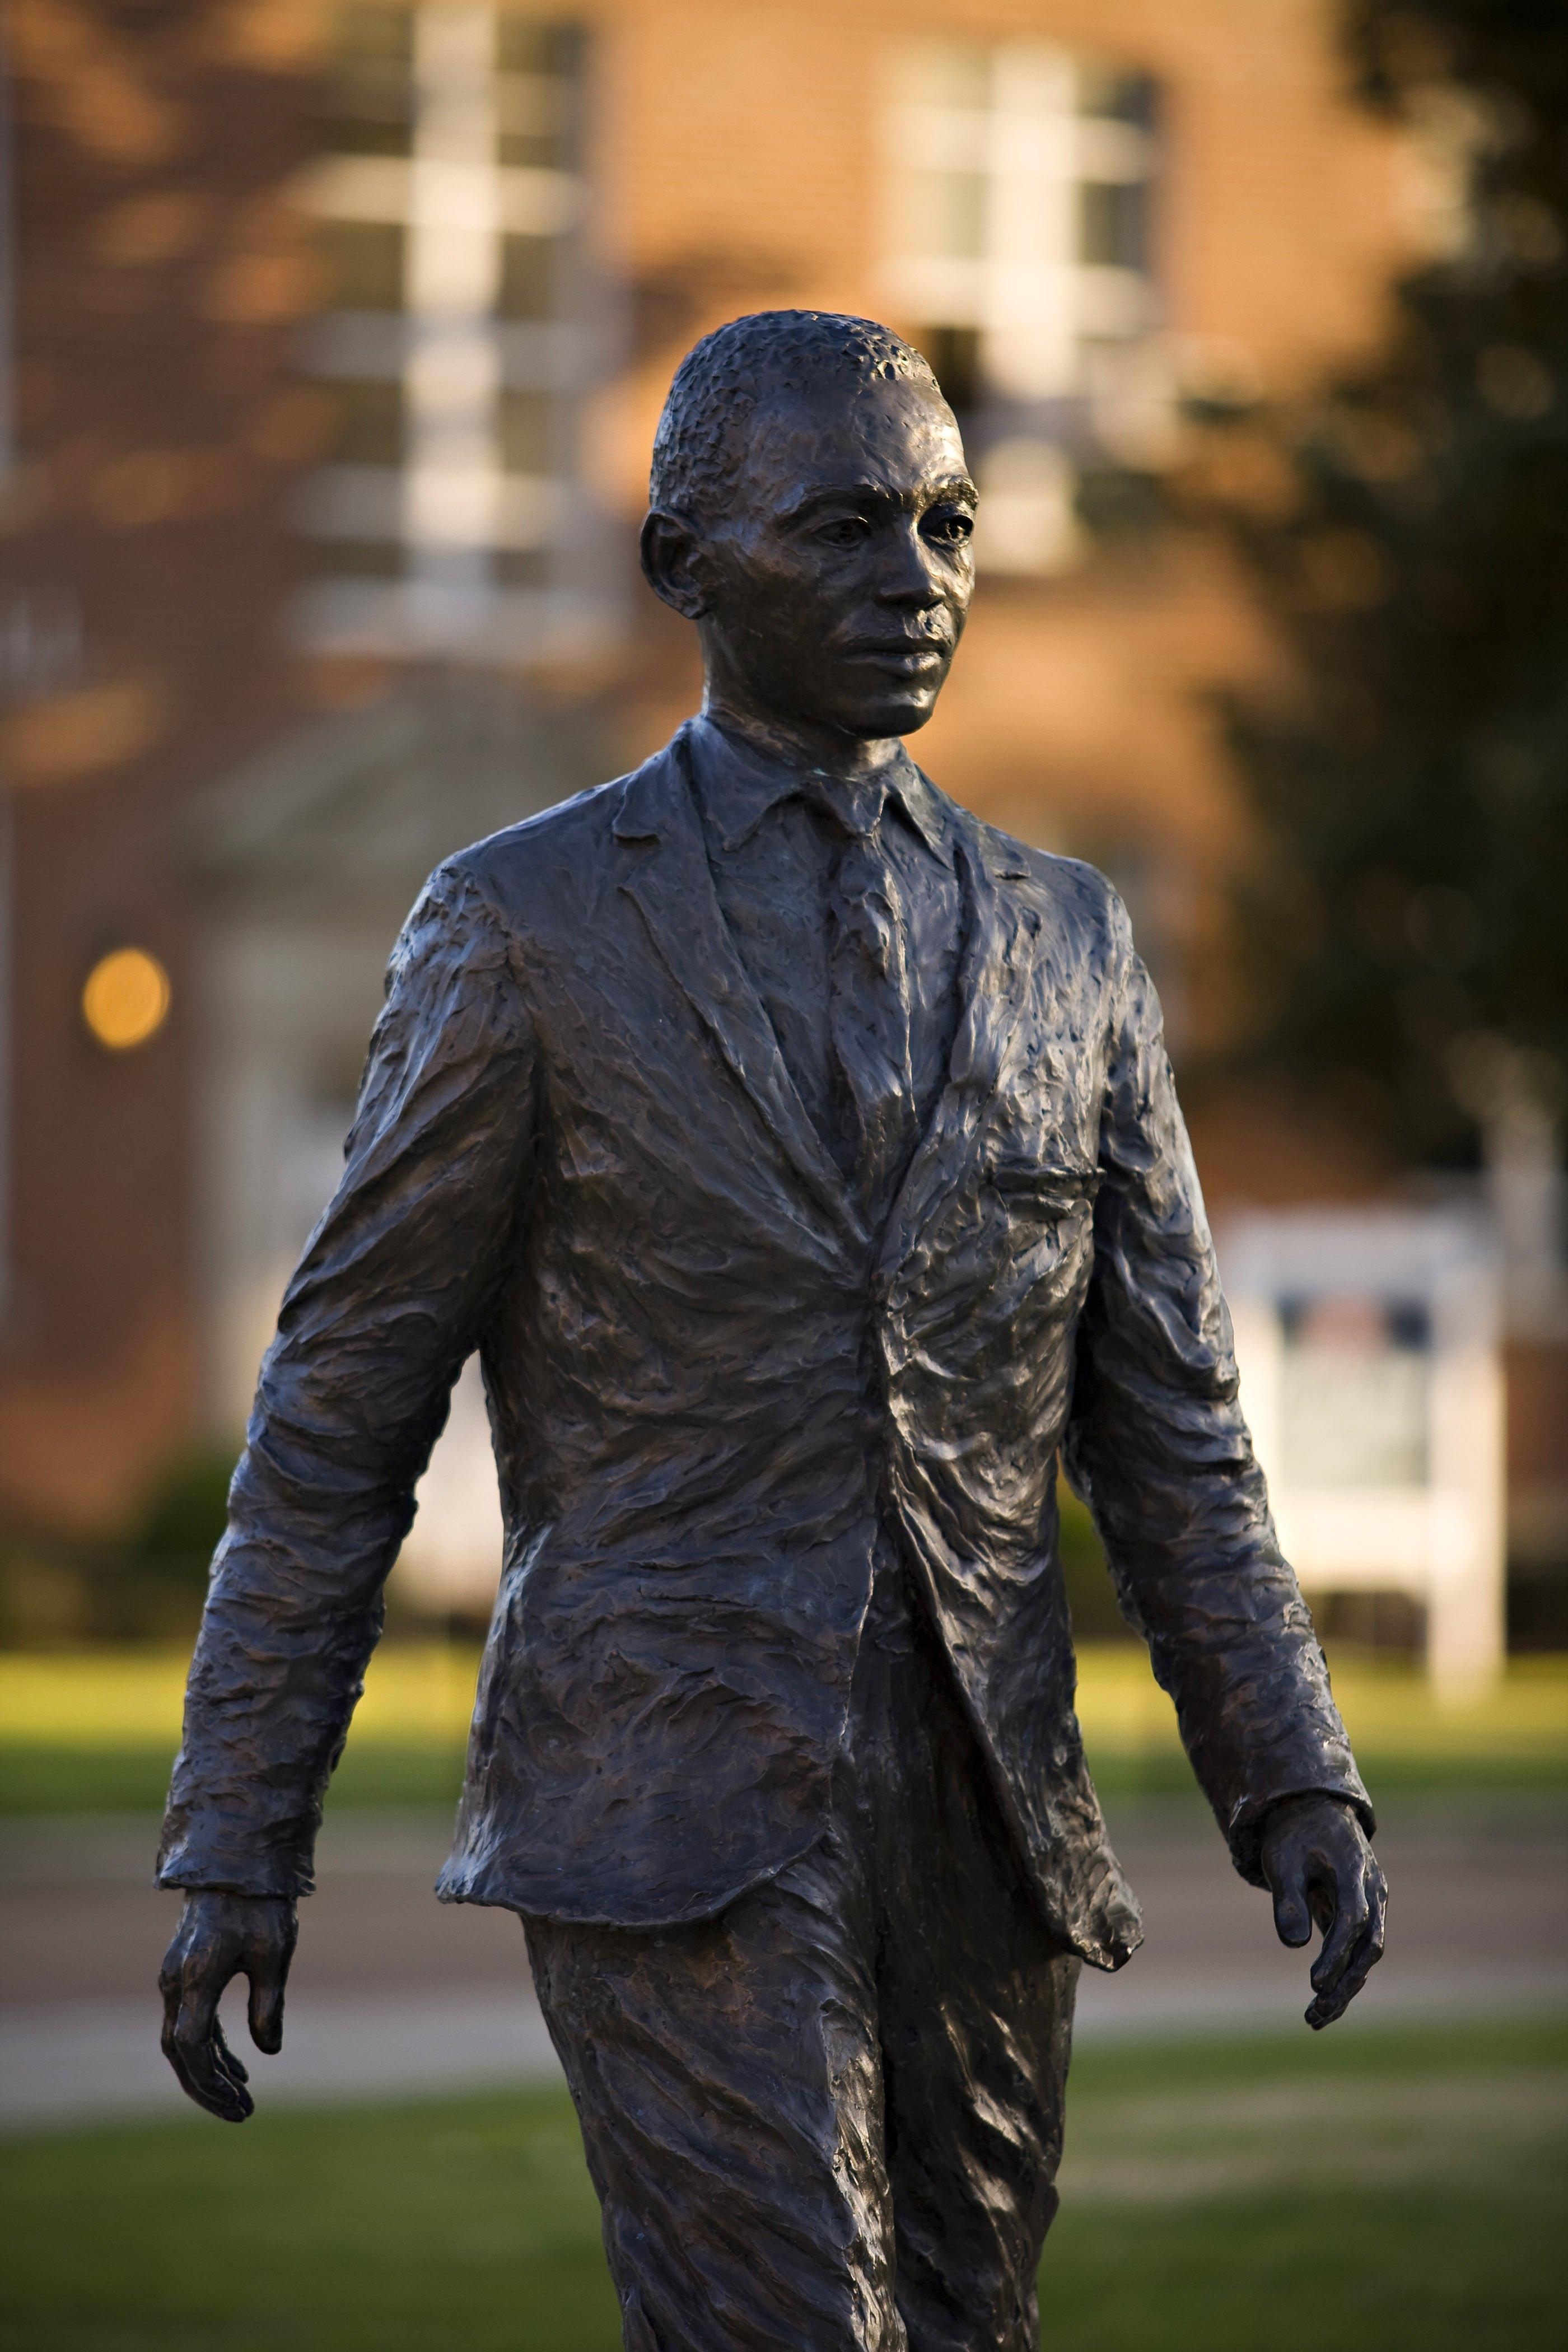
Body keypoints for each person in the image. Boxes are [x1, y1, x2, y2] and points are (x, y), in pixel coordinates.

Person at [157, 311, 1385, 2351]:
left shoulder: (1073, 944)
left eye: (948, 524)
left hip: (986, 1811)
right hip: (665, 1801)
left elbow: (1175, 1427)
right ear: (685, 565)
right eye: (845, 528)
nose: (918, 580)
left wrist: (1294, 1774)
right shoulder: (524, 926)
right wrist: (237, 1833)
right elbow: (337, 1418)